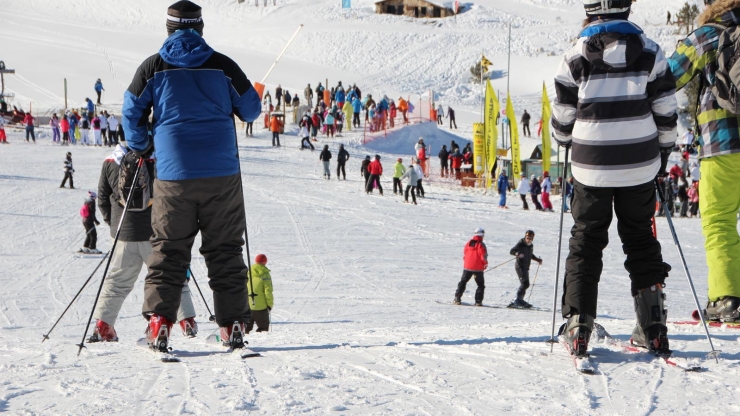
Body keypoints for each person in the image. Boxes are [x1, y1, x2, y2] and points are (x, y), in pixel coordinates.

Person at [121, 0, 262, 352]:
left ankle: (159, 324)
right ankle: (231, 327)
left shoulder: (152, 67)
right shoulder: (222, 65)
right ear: (200, 27)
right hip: (221, 173)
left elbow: (131, 112)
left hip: (173, 174)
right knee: (225, 248)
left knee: (168, 249)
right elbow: (251, 109)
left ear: (169, 28)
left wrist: (141, 145)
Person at [552, 0, 676, 355]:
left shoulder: (574, 55)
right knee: (639, 237)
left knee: (587, 239)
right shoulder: (651, 52)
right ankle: (653, 327)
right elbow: (666, 112)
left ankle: (578, 325)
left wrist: (565, 140)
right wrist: (662, 154)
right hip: (640, 162)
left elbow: (563, 118)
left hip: (591, 165)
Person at [669, 0, 740, 322]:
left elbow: (667, 78)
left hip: (722, 143)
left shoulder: (709, 34)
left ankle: (726, 300)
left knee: (720, 222)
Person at [89, 144, 198, 342]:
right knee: (169, 276)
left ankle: (103, 326)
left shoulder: (111, 162)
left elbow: (103, 198)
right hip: (157, 234)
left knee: (116, 282)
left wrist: (113, 224)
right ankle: (185, 321)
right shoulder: (160, 159)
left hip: (123, 234)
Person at [453, 228, 488, 306]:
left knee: (463, 282)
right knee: (480, 285)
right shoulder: (481, 244)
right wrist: (485, 264)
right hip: (478, 268)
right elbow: (483, 256)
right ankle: (478, 301)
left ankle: (457, 298)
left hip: (467, 267)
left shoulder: (468, 243)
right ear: (482, 234)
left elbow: (465, 252)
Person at [509, 230, 542, 308]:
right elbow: (512, 251)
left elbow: (530, 255)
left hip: (526, 266)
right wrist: (517, 254)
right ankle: (517, 300)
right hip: (520, 266)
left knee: (526, 284)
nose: (528, 240)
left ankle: (520, 300)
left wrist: (537, 260)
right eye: (527, 238)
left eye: (530, 238)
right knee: (525, 283)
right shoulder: (521, 243)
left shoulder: (530, 246)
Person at [245, 254, 273, 334]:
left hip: (248, 306)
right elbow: (268, 291)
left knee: (246, 329)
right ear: (265, 262)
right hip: (261, 308)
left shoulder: (249, 272)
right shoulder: (265, 274)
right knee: (263, 330)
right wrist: (269, 304)